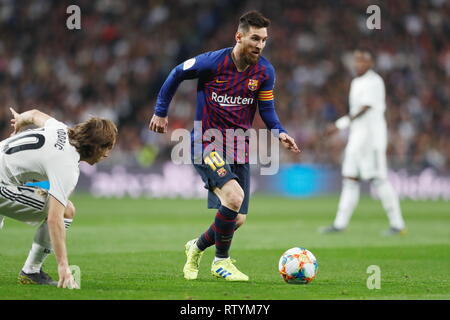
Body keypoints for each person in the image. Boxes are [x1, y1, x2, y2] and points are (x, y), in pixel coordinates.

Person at [149, 11, 300, 281]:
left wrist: (280, 132)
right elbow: (176, 73)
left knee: (236, 218)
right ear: (239, 36)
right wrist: (161, 111)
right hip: (206, 143)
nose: (260, 45)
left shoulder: (265, 71)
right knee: (233, 198)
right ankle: (221, 262)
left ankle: (195, 247)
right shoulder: (211, 62)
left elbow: (267, 109)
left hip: (239, 147)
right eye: (255, 38)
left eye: (264, 40)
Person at [0, 108, 118, 288]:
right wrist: (63, 266)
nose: (107, 154)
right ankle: (32, 271)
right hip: (2, 184)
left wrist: (20, 120)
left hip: (5, 175)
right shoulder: (67, 165)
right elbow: (55, 219)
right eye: (106, 147)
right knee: (66, 211)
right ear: (95, 147)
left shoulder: (59, 128)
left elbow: (33, 114)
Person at [320, 50, 406, 236]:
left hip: (372, 139)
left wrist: (339, 124)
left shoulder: (374, 81)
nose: (357, 65)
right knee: (350, 179)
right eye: (356, 61)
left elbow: (365, 108)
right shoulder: (356, 81)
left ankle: (397, 224)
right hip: (357, 138)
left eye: (362, 62)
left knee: (378, 179)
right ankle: (339, 224)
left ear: (370, 64)